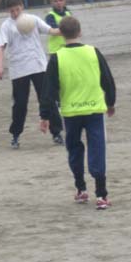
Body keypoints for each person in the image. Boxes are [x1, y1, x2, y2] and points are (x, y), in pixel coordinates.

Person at [39, 16, 116, 210]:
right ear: (80, 32)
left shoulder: (57, 58)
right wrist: (110, 102)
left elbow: (48, 90)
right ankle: (101, 194)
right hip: (94, 109)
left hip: (71, 112)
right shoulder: (93, 52)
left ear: (61, 34)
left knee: (74, 149)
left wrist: (45, 116)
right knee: (97, 148)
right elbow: (107, 80)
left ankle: (81, 189)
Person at [0, 0, 64, 149]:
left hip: (38, 66)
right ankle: (15, 135)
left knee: (47, 100)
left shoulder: (33, 19)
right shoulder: (6, 25)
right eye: (12, 11)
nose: (15, 13)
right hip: (19, 69)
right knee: (19, 104)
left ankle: (56, 133)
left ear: (22, 7)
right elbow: (1, 46)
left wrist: (66, 30)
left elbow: (51, 31)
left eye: (17, 9)